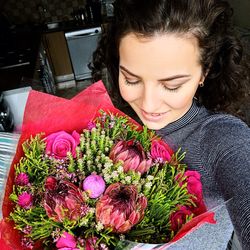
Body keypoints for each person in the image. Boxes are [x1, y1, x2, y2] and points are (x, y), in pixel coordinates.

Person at [91, 0, 250, 249]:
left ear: (204, 72)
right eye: (131, 80)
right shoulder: (111, 129)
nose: (149, 104)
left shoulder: (221, 138)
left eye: (172, 85)